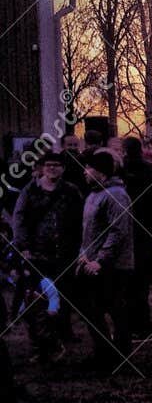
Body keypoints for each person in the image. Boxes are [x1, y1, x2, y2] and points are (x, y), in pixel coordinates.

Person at [10, 152, 83, 360]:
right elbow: (19, 220)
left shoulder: (71, 191)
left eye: (57, 165)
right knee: (36, 300)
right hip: (36, 255)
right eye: (48, 165)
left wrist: (80, 247)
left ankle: (59, 338)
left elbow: (80, 221)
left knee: (62, 298)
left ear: (63, 168)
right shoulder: (29, 191)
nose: (52, 168)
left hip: (65, 255)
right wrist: (23, 247)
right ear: (42, 167)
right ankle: (43, 345)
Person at [77, 150, 136, 373]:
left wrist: (100, 260)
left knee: (114, 308)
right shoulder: (94, 194)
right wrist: (83, 255)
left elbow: (117, 231)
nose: (84, 172)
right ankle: (104, 353)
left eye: (88, 168)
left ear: (100, 172)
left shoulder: (116, 195)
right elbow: (89, 231)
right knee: (92, 309)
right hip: (92, 262)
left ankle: (120, 357)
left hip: (113, 265)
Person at [117, 136, 152, 336]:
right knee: (142, 280)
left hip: (124, 229)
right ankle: (143, 323)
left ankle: (128, 323)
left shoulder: (119, 171)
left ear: (125, 150)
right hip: (147, 229)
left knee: (125, 281)